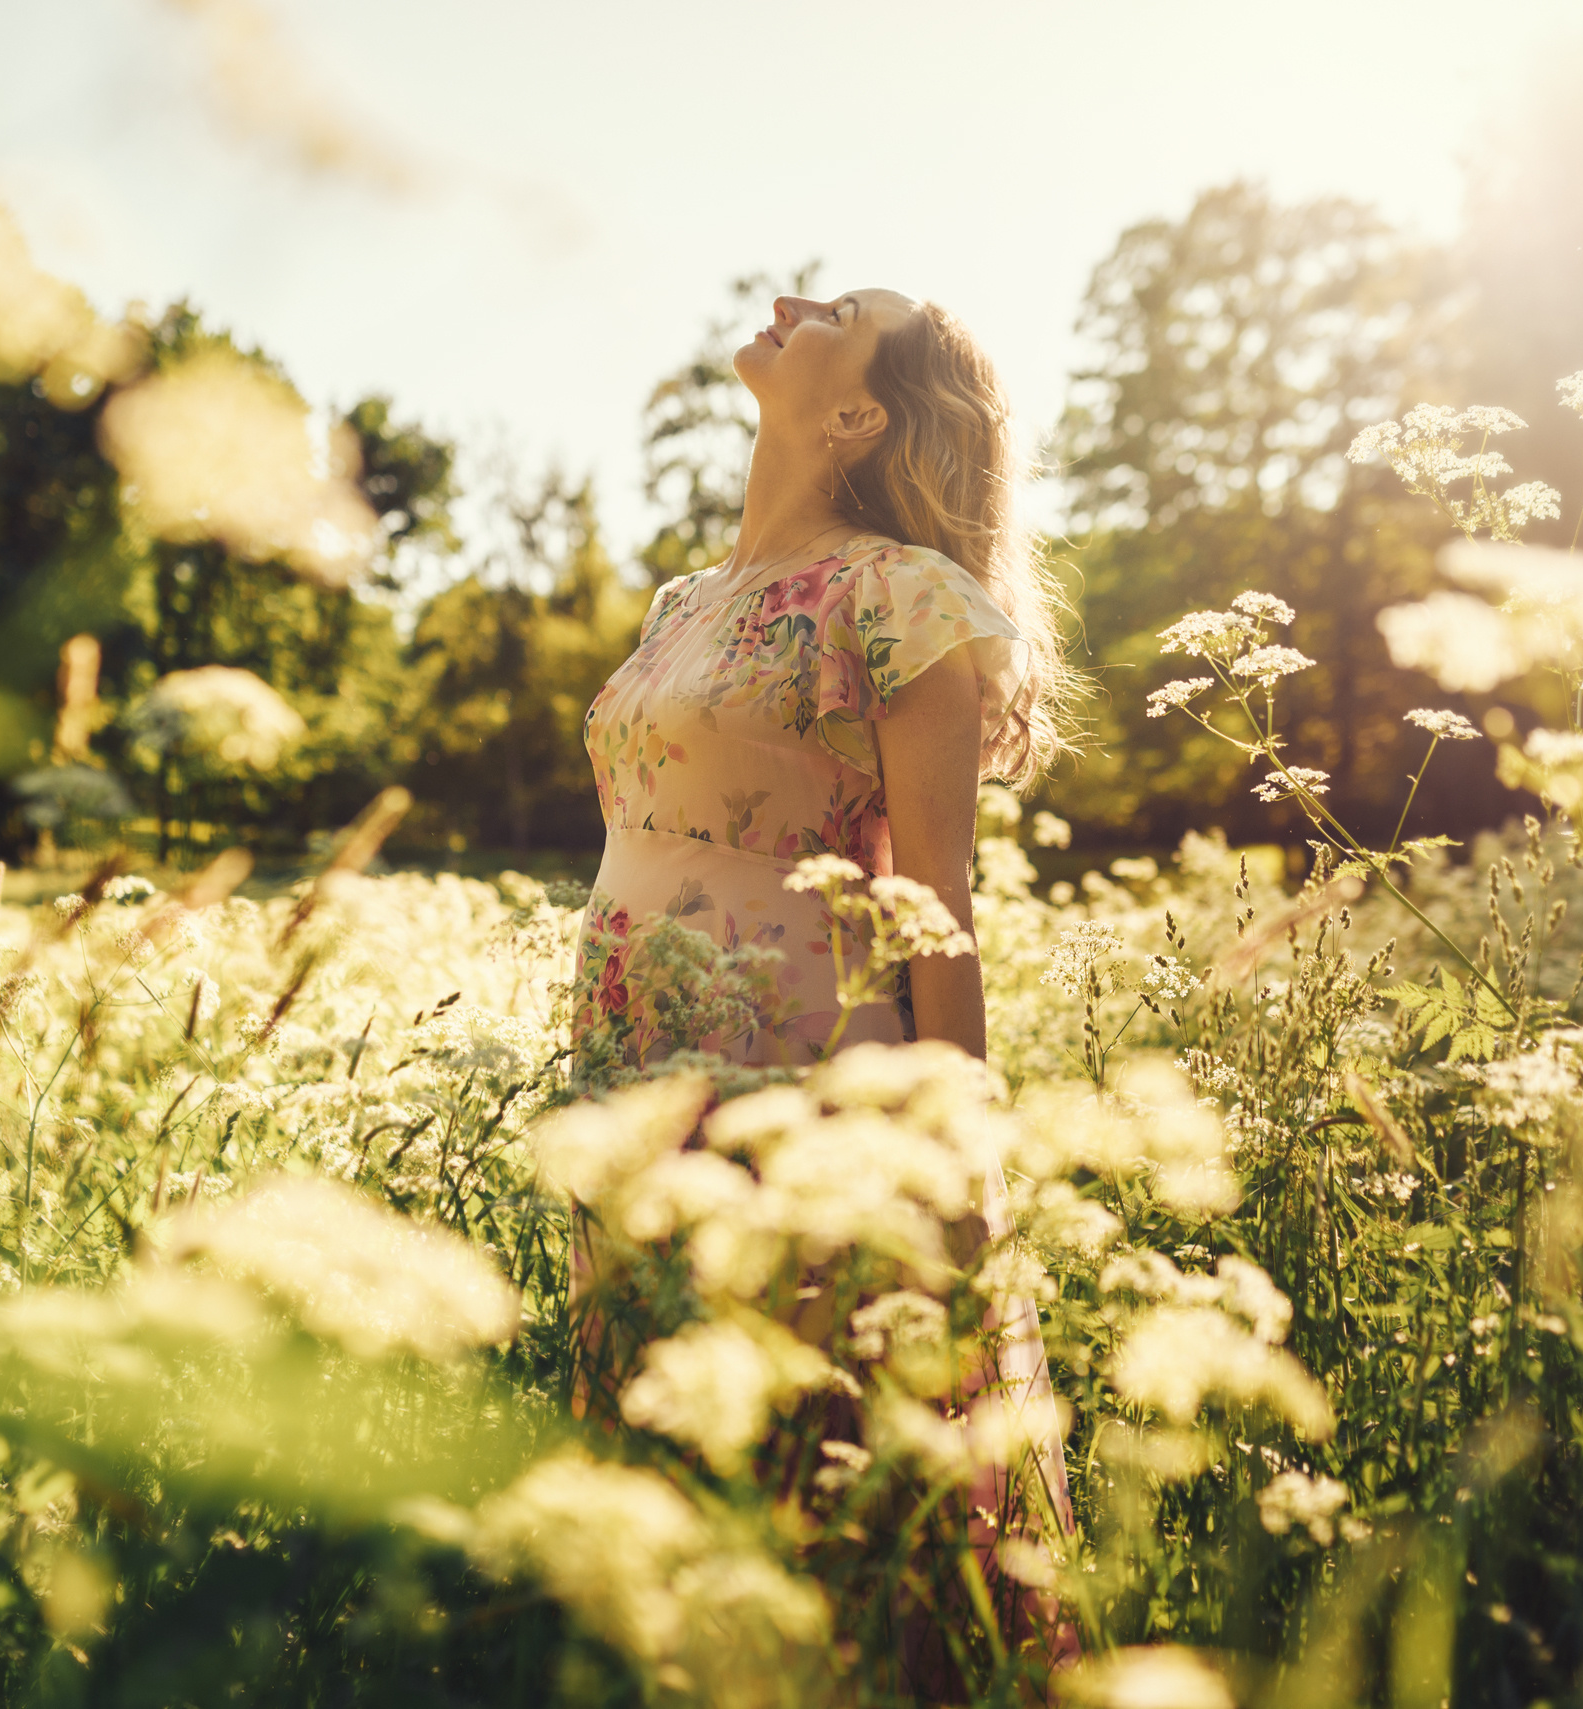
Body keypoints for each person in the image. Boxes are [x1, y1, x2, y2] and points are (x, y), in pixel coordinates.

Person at [571, 289, 1084, 1693]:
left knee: (807, 1473)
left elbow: (937, 910)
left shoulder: (902, 595)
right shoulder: (688, 603)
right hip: (633, 1088)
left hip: (792, 1084)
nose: (791, 304)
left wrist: (956, 1168)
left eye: (838, 311)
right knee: (666, 1456)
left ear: (857, 415)